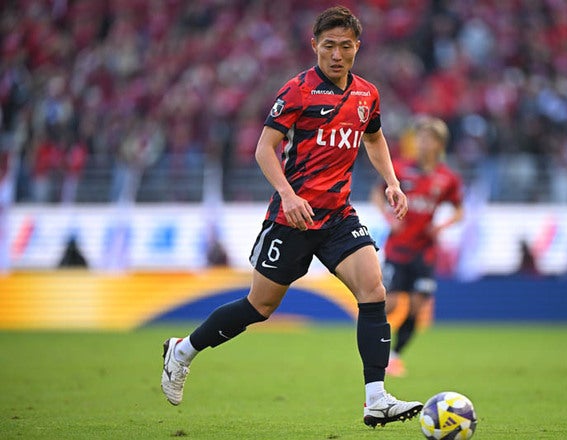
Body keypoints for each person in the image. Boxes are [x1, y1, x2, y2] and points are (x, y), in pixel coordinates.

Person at [161, 6, 423, 428]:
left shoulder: (367, 94)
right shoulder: (298, 91)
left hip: (337, 216)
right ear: (314, 45)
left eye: (345, 46)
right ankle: (182, 350)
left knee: (373, 290)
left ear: (357, 47)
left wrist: (392, 181)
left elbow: (374, 139)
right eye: (329, 45)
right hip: (292, 218)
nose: (336, 54)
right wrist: (287, 194)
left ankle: (376, 398)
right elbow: (264, 148)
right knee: (260, 306)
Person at [371, 116, 464, 377]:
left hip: (425, 251)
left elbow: (459, 211)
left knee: (416, 305)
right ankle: (374, 348)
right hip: (398, 248)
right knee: (389, 304)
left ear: (439, 145)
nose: (422, 143)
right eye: (420, 138)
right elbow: (377, 193)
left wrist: (441, 227)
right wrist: (389, 217)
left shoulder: (447, 178)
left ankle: (395, 357)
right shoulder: (400, 169)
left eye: (428, 139)